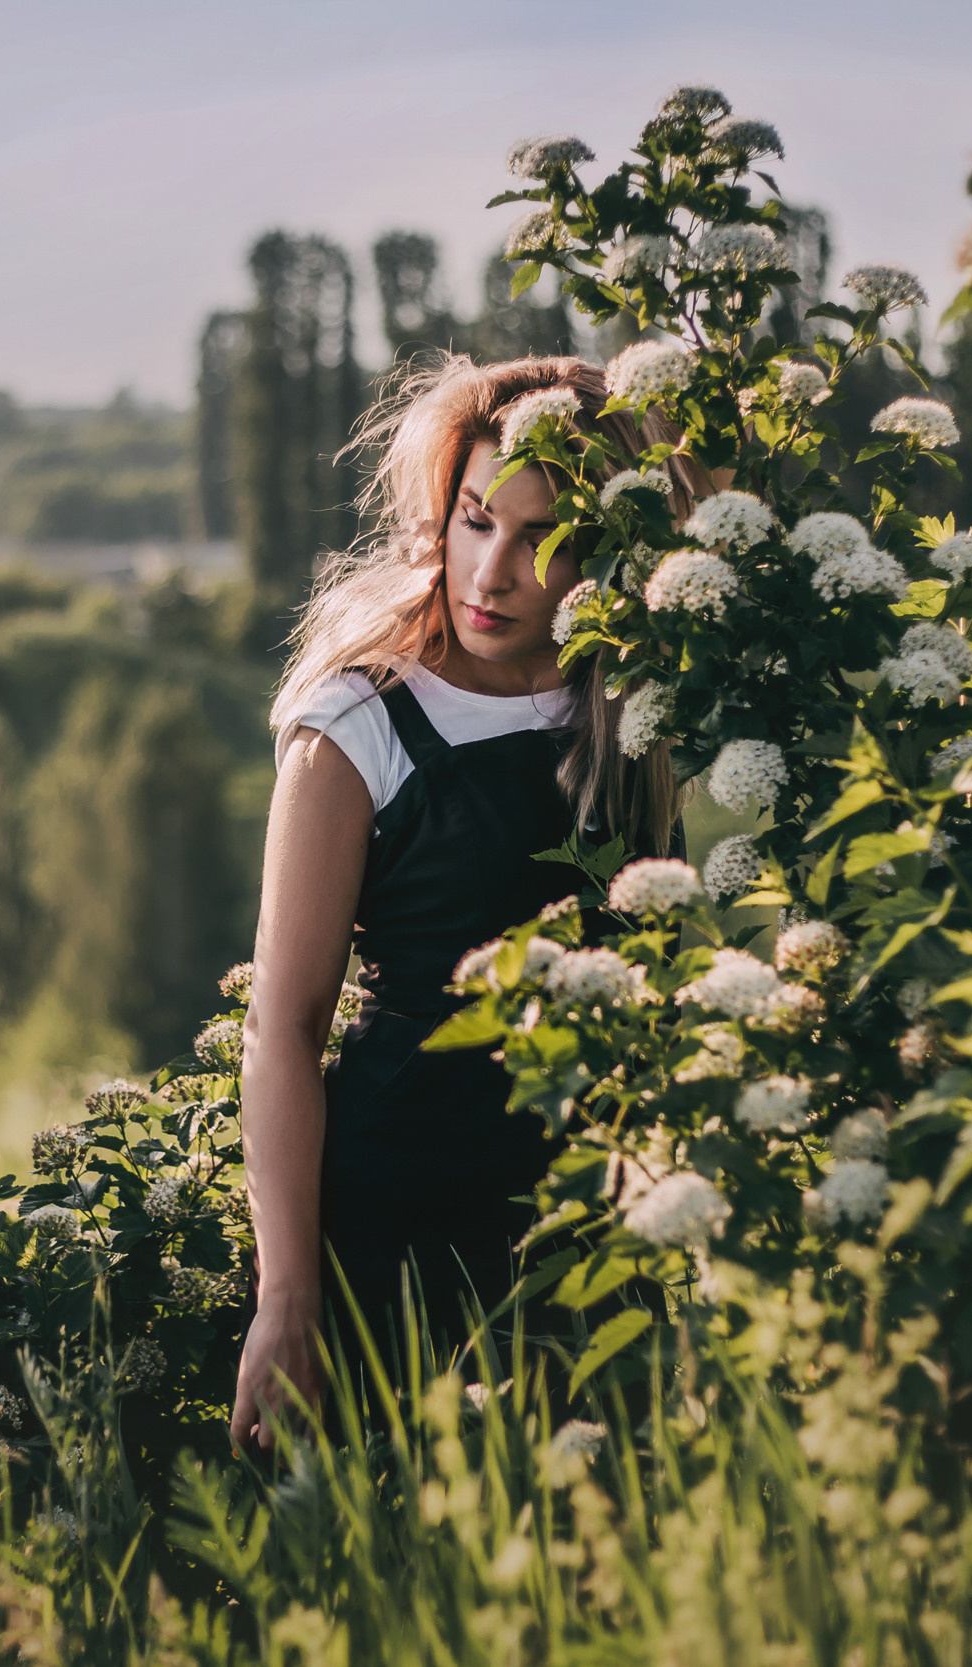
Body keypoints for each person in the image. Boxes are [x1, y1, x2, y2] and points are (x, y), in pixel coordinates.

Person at [229, 355, 695, 1455]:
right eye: (476, 519)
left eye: (546, 536)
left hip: (591, 1223)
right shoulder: (359, 721)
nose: (494, 569)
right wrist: (286, 1291)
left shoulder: (628, 703)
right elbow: (281, 1026)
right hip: (396, 1218)